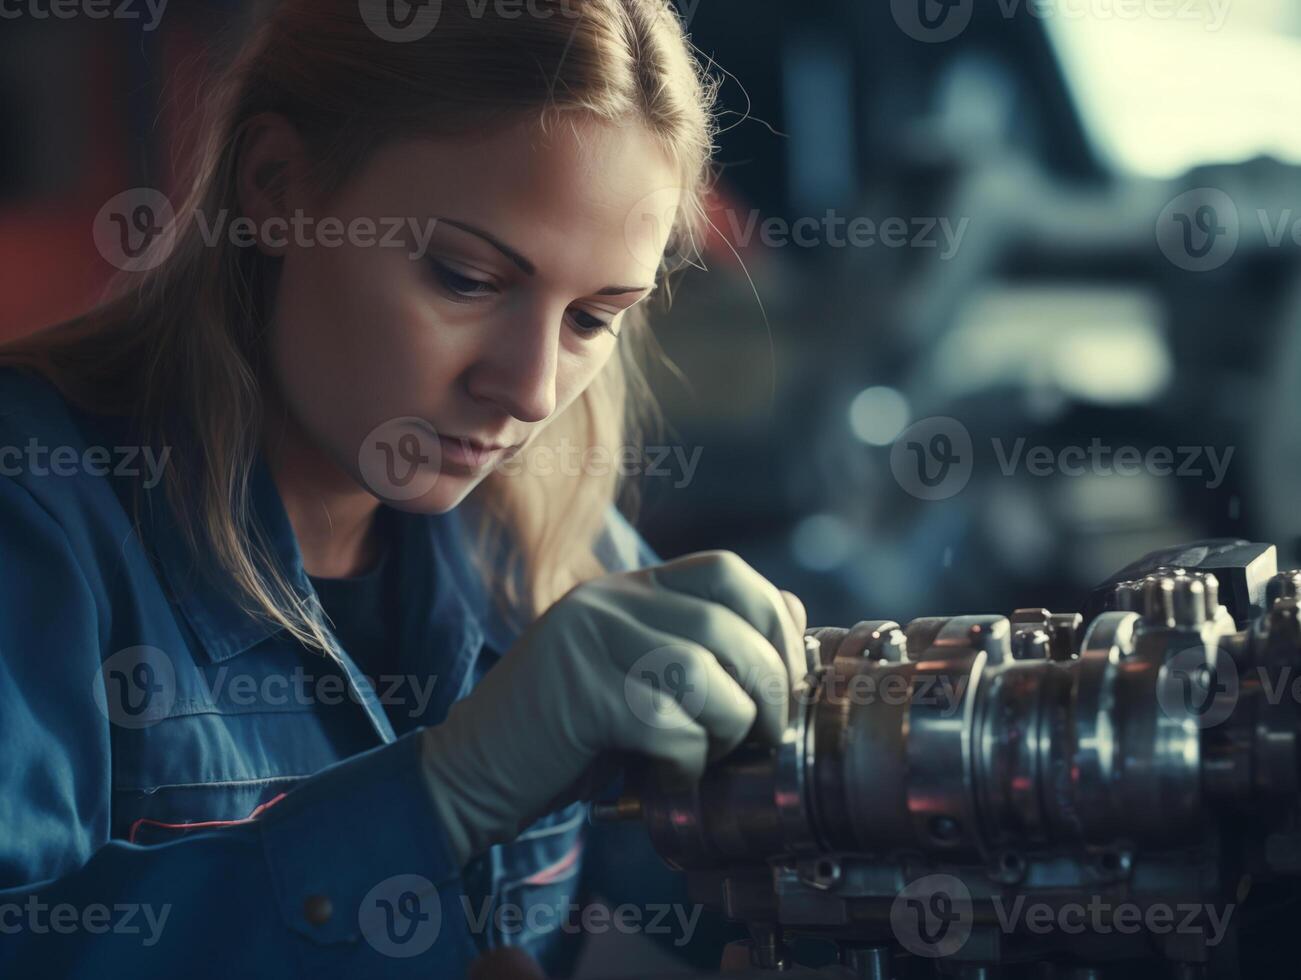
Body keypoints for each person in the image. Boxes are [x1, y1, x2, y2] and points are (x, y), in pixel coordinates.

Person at [0, 1, 811, 976]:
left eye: (594, 318)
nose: (530, 389)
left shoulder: (544, 539)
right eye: (466, 278)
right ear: (276, 186)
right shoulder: (36, 512)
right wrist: (438, 796)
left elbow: (738, 895)